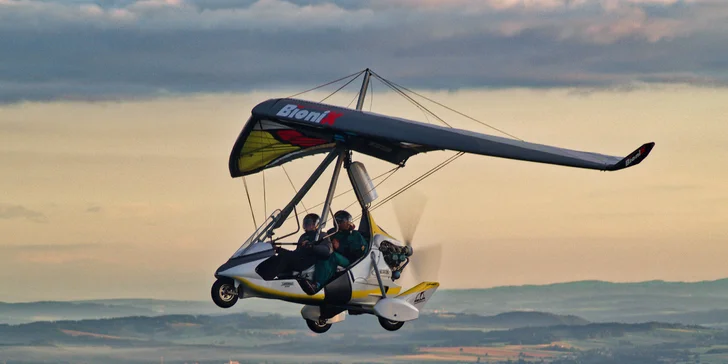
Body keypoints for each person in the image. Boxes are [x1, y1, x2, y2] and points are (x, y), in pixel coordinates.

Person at [301, 210, 367, 294]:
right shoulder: (332, 232)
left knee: (332, 256)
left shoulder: (355, 235)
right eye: (337, 220)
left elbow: (361, 251)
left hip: (349, 261)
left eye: (341, 220)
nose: (338, 222)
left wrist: (340, 247)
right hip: (332, 257)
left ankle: (318, 284)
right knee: (322, 254)